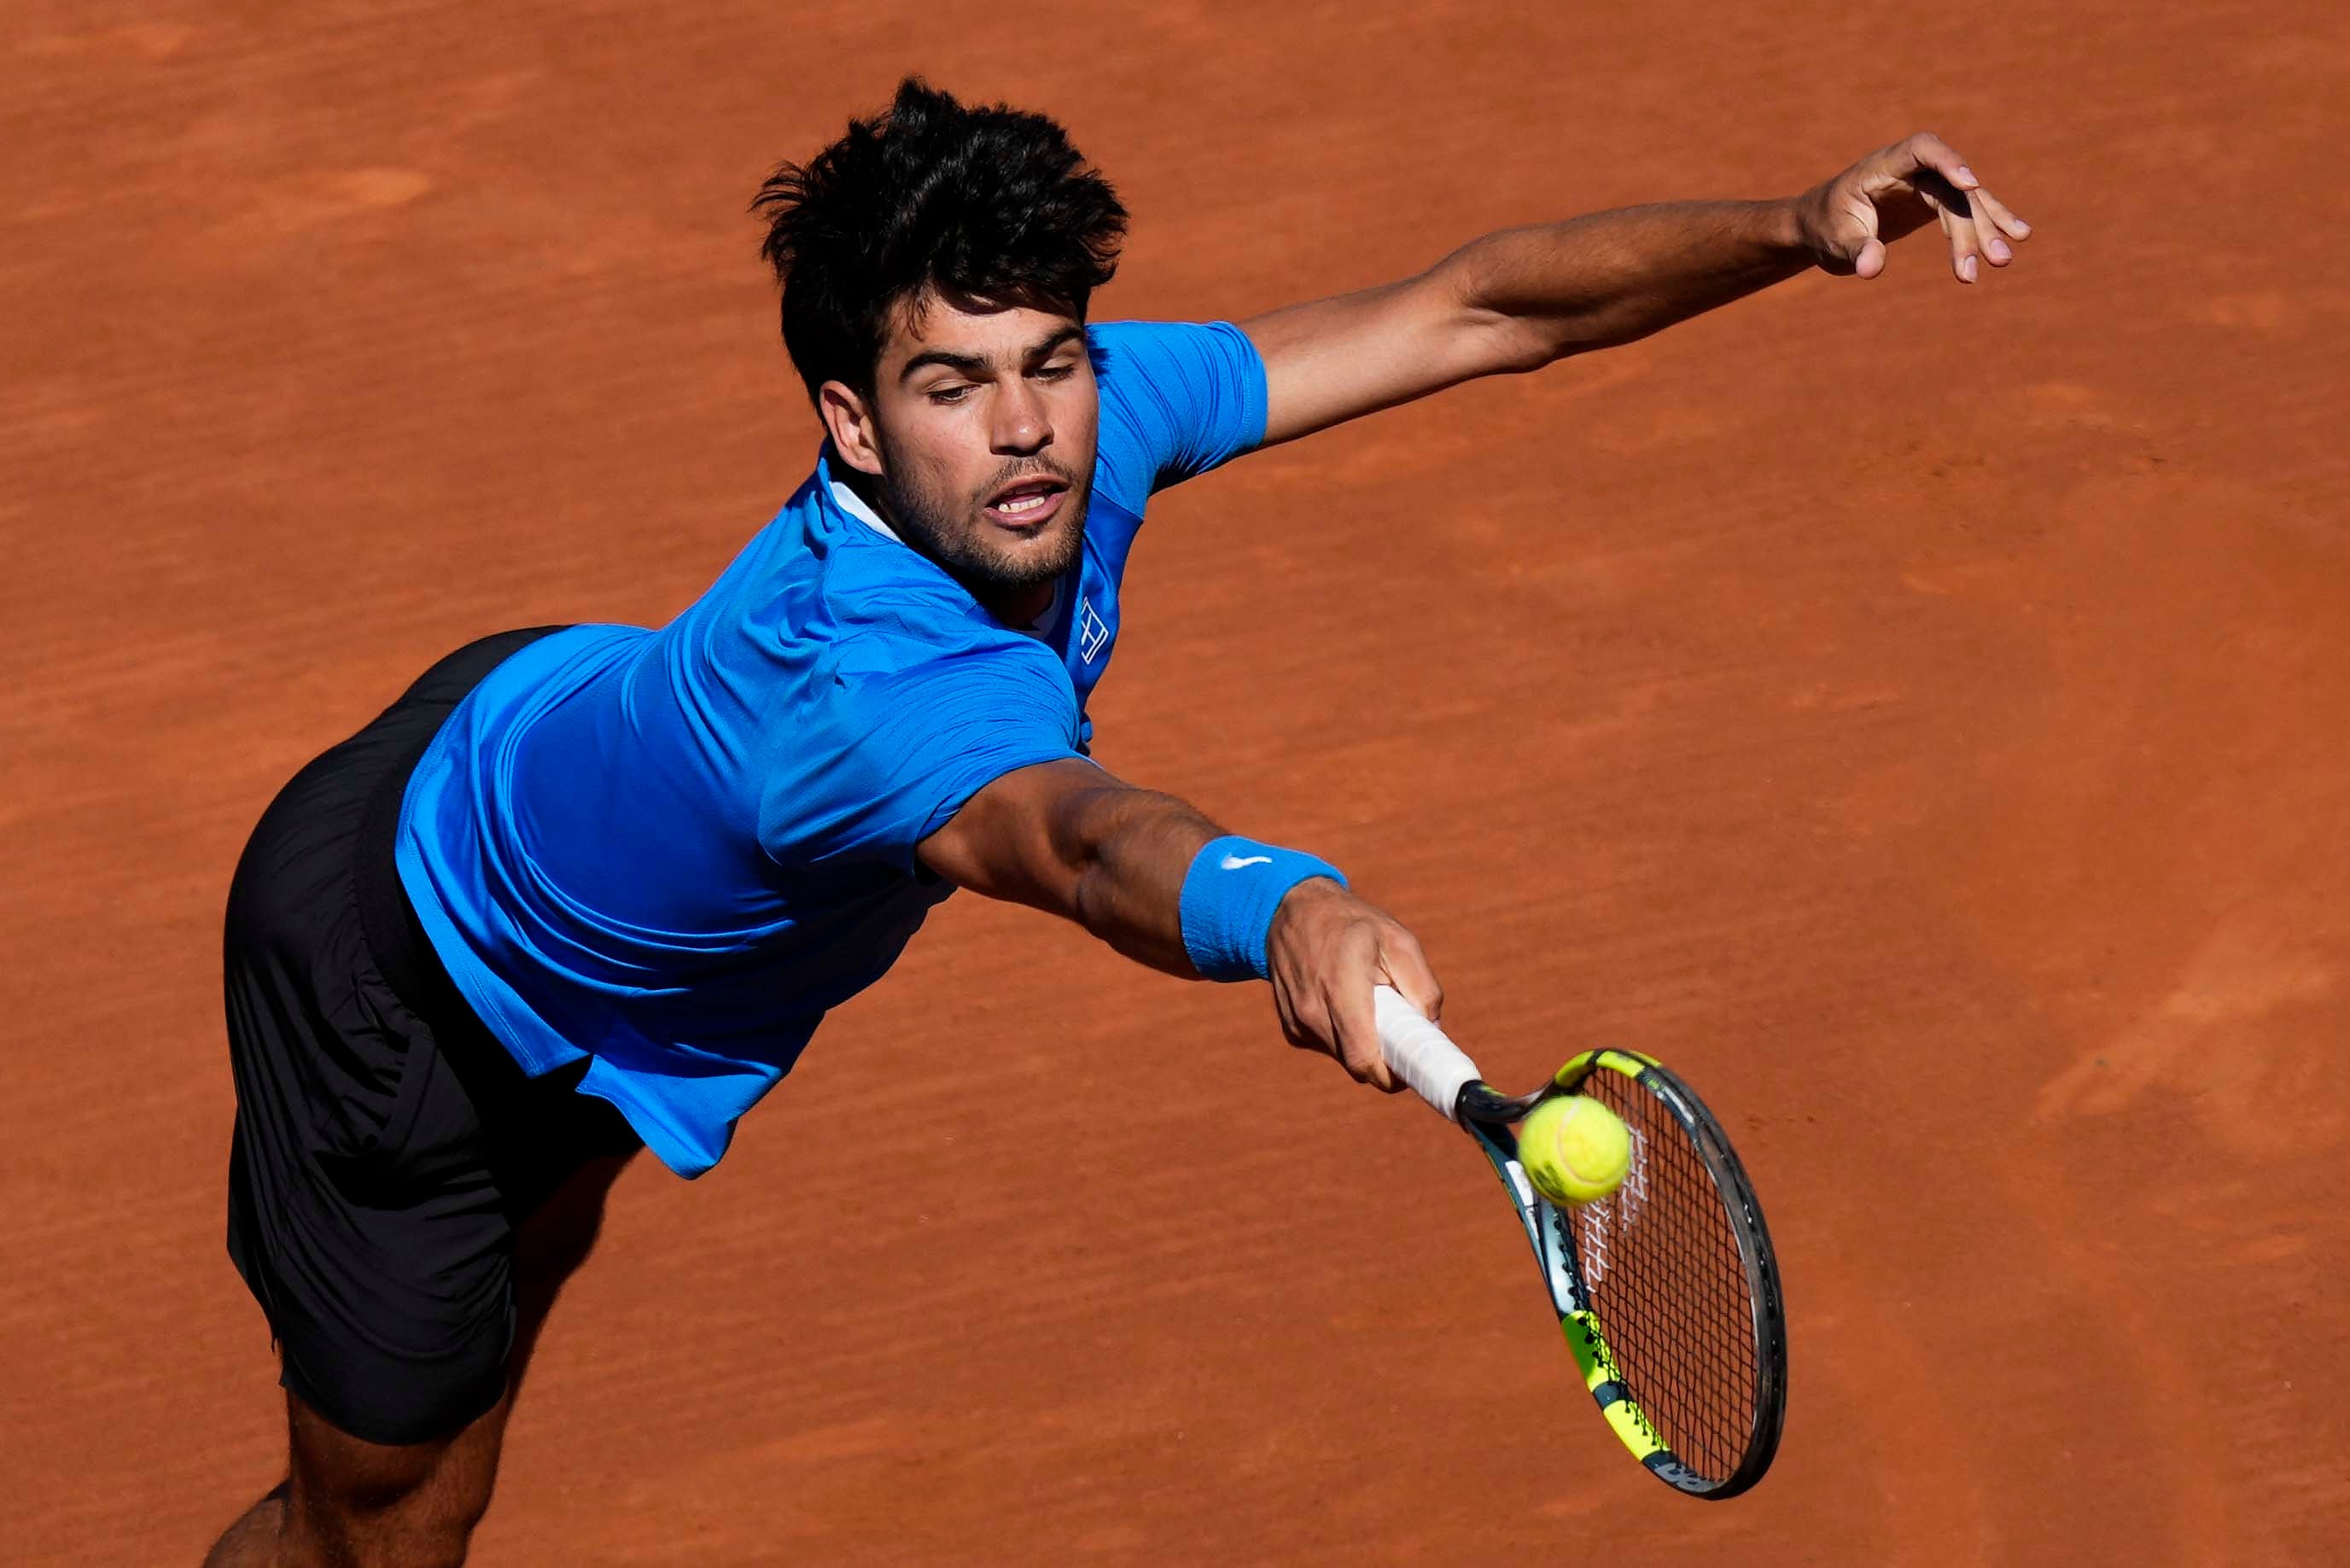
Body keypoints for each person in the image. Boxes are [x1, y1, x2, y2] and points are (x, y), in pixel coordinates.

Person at [206, 76, 2028, 1565]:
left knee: (518, 1289)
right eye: (952, 388)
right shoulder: (874, 697)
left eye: (1052, 365)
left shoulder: (1076, 416)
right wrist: (1281, 902)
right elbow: (1079, 839)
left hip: (561, 785)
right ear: (849, 422)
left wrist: (1792, 227)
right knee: (388, 1522)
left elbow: (1477, 309)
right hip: (406, 985)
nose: (1029, 435)